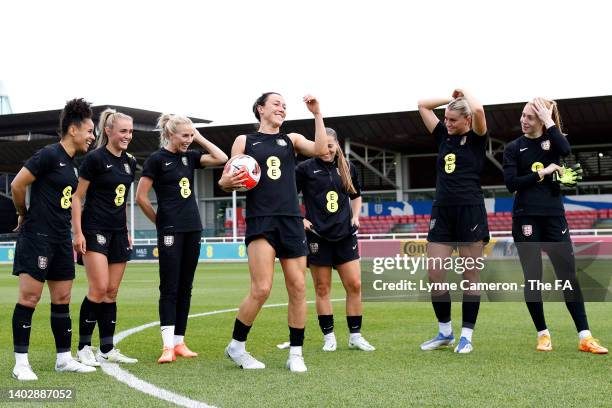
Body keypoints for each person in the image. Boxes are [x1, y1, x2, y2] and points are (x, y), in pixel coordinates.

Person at [218, 92, 327, 372]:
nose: (282, 107)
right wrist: (225, 181)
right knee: (262, 288)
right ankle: (237, 346)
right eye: (276, 103)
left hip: (291, 220)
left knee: (299, 287)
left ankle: (296, 353)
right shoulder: (245, 140)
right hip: (261, 220)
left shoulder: (291, 139)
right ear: (260, 109)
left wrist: (317, 114)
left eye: (284, 105)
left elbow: (320, 149)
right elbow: (228, 178)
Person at [503, 97, 607, 354]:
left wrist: (550, 121)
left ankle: (585, 337)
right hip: (525, 219)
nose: (523, 120)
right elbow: (511, 183)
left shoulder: (553, 142)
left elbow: (566, 148)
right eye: (523, 115)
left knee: (568, 276)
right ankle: (543, 334)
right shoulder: (513, 148)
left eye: (530, 116)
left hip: (553, 218)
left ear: (541, 119)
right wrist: (543, 172)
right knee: (533, 278)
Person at [10, 98, 97, 380]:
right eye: (89, 130)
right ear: (73, 130)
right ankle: (21, 363)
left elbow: (72, 199)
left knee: (62, 298)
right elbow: (17, 184)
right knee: (30, 298)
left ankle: (64, 359)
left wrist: (76, 232)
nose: (92, 136)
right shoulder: (48, 154)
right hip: (37, 237)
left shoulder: (72, 166)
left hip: (61, 239)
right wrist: (22, 213)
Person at [136, 114, 227, 363]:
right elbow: (140, 197)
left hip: (192, 228)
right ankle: (166, 346)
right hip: (170, 230)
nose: (189, 140)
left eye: (191, 135)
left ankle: (179, 343)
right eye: (185, 135)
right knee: (170, 287)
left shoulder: (190, 157)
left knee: (186, 287)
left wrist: (199, 136)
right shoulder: (156, 160)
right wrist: (159, 222)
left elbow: (222, 158)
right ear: (170, 134)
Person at [416, 89, 489, 354]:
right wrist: (450, 98)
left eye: (453, 120)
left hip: (470, 211)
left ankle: (466, 336)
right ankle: (445, 332)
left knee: (470, 275)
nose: (447, 123)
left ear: (466, 121)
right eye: (445, 118)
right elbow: (423, 105)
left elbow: (479, 111)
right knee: (435, 274)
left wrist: (465, 92)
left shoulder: (477, 138)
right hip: (442, 212)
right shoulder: (443, 136)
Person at [295, 127, 375, 352]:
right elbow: (289, 197)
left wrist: (356, 216)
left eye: (330, 146)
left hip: (345, 235)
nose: (326, 150)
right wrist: (300, 219)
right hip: (317, 237)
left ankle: (355, 336)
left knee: (355, 285)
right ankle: (329, 336)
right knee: (322, 288)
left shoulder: (348, 167)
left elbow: (356, 195)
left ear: (337, 144)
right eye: (323, 146)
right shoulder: (305, 169)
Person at [71, 108, 139, 366]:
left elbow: (120, 202)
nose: (127, 136)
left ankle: (107, 348)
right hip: (94, 229)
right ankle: (84, 347)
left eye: (130, 131)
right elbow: (77, 197)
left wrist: (126, 230)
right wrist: (77, 232)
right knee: (98, 289)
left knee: (111, 291)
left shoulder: (130, 162)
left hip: (118, 232)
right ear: (108, 131)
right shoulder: (95, 159)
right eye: (123, 131)